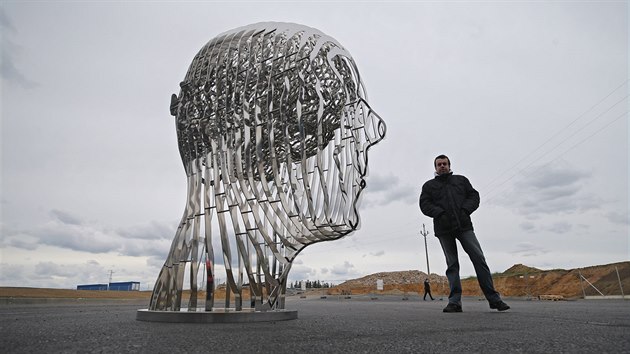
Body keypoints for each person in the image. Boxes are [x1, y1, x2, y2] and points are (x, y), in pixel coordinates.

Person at [419, 154, 510, 313]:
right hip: (443, 229)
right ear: (435, 168)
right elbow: (425, 204)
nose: (442, 166)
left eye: (444, 164)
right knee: (452, 264)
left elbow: (474, 196)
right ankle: (454, 302)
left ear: (449, 165)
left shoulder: (461, 180)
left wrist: (465, 210)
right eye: (439, 164)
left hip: (464, 227)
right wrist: (440, 213)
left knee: (479, 259)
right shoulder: (429, 186)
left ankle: (494, 299)